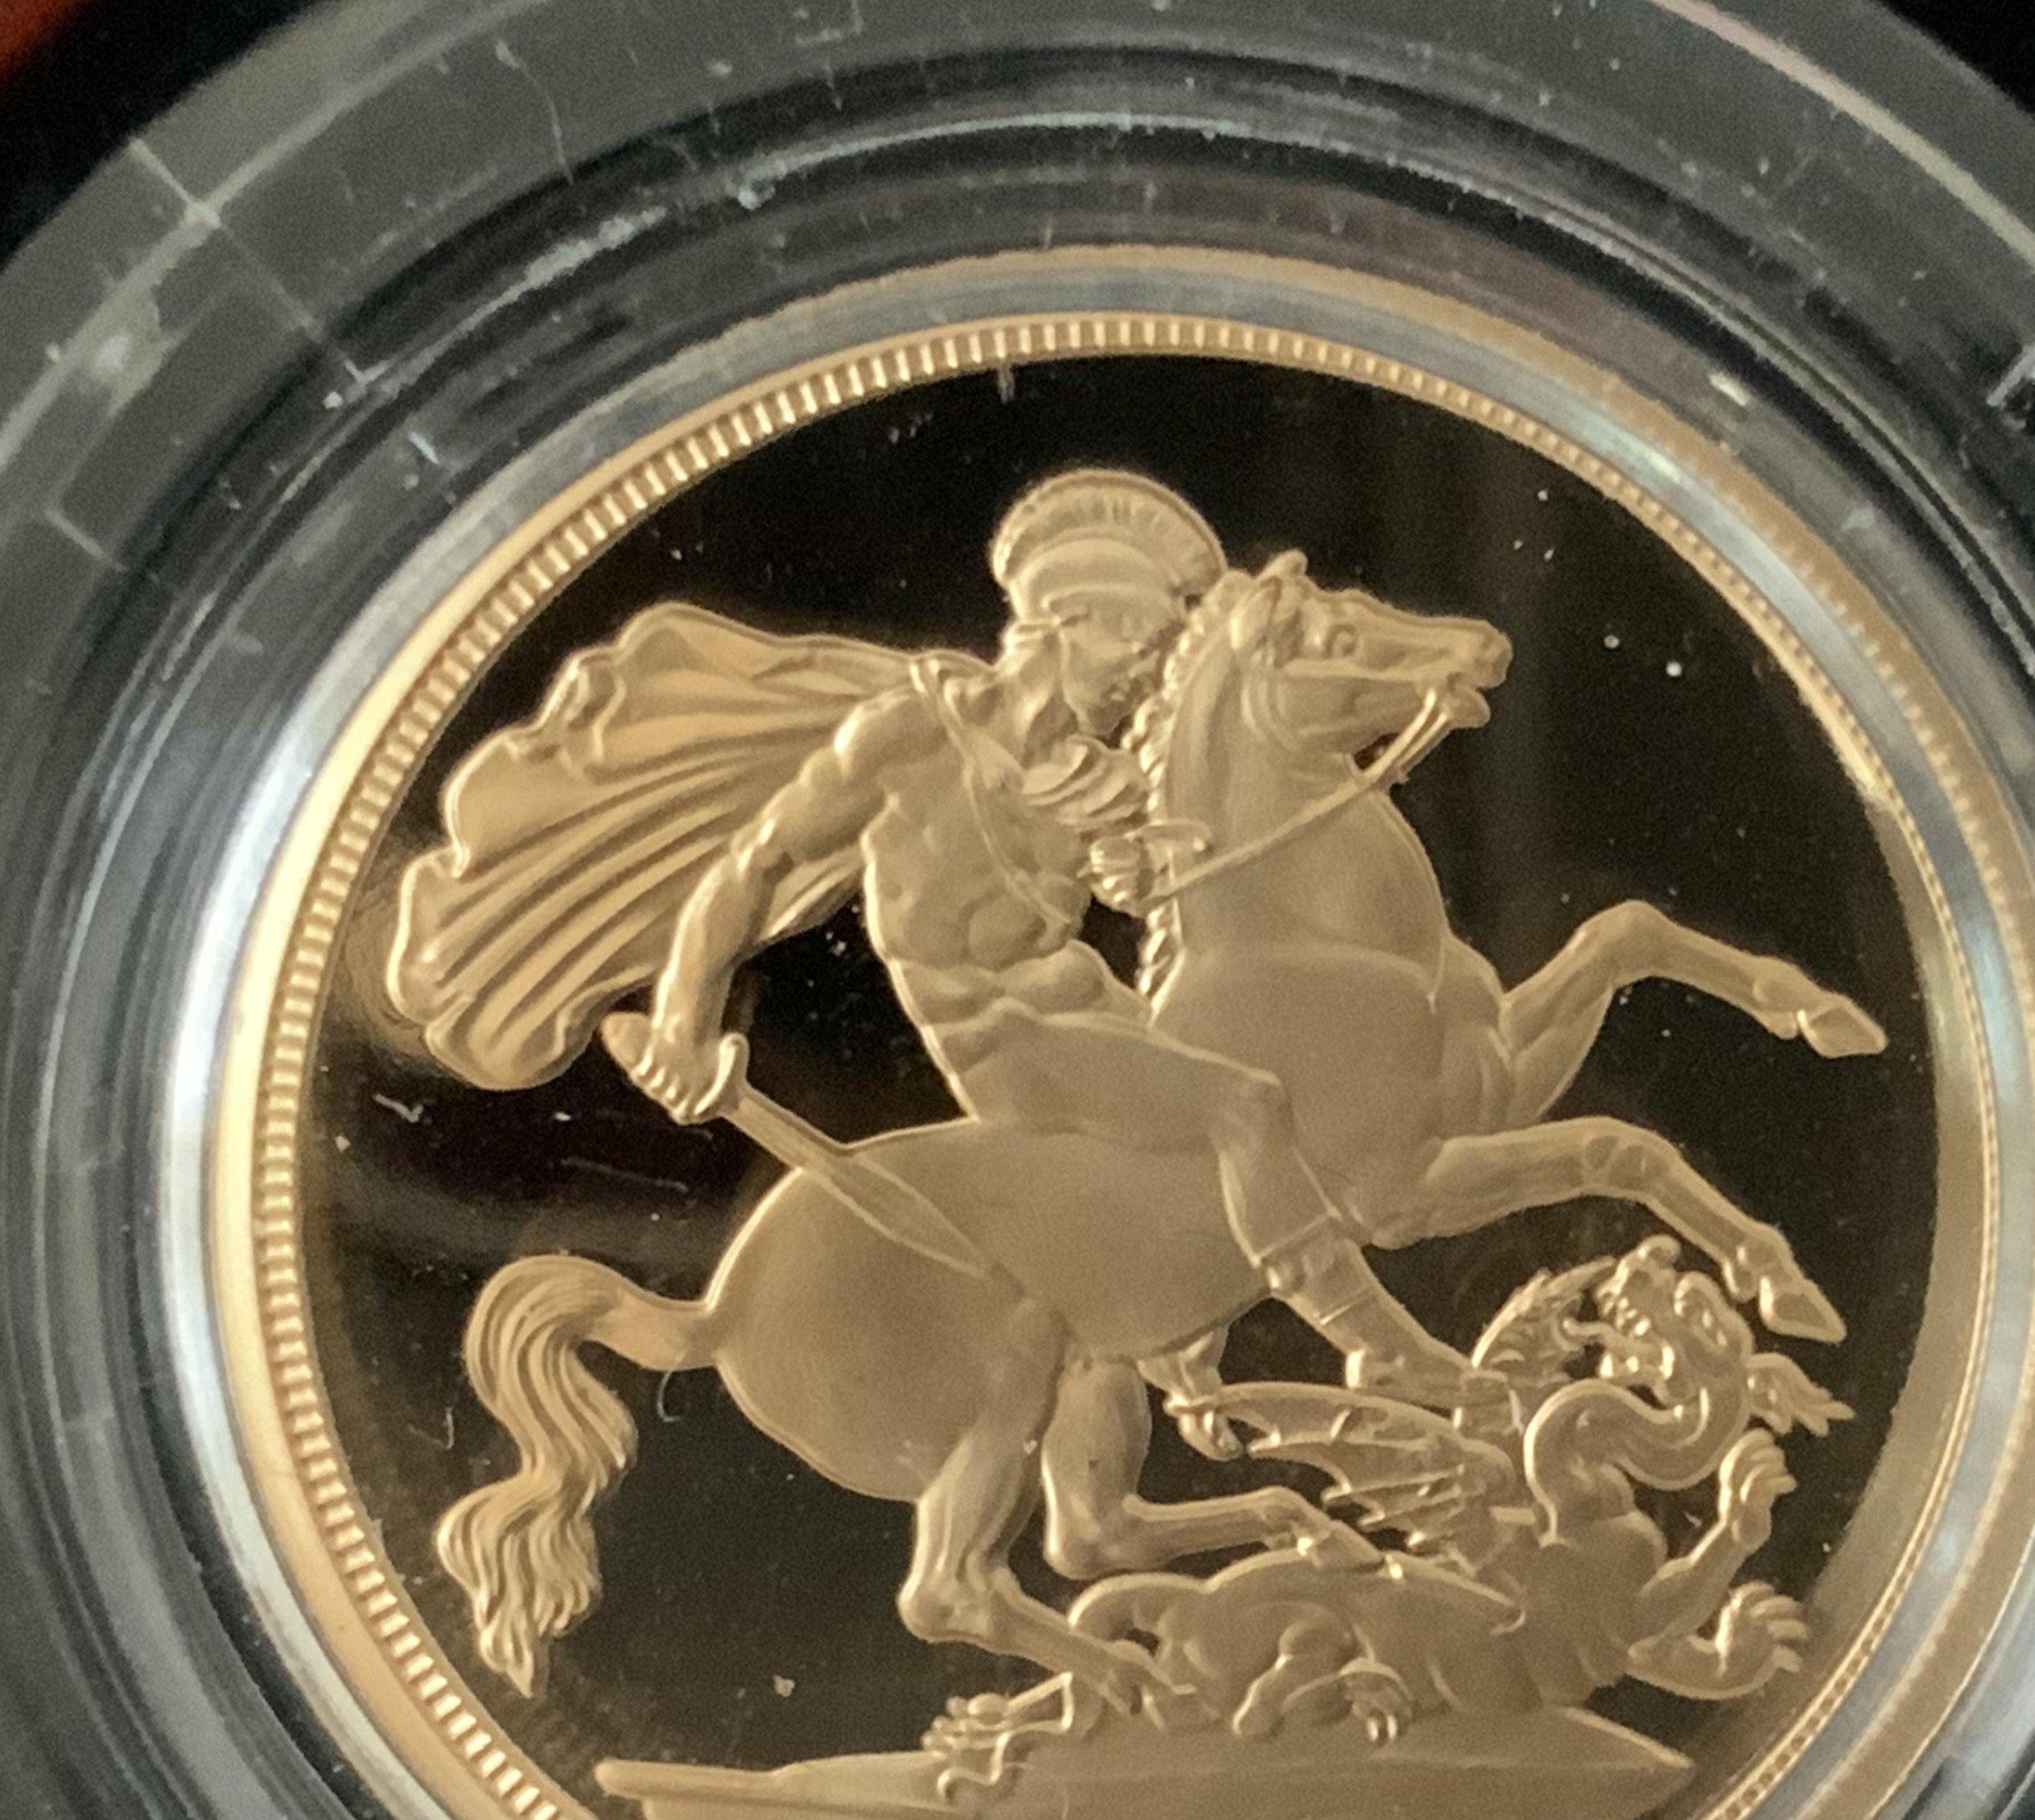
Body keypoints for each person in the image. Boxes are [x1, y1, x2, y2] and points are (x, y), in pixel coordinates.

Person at [611, 469, 1473, 1403]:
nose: (1145, 677)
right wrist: (684, 1019)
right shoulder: (912, 736)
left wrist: (1139, 870)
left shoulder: (1097, 782)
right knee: (1246, 1105)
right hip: (1001, 1043)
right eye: (1139, 648)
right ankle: (1377, 1344)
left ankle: (1182, 1346)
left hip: (1095, 1013)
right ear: (1070, 623)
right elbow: (755, 867)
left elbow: (1150, 886)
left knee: (1260, 1108)